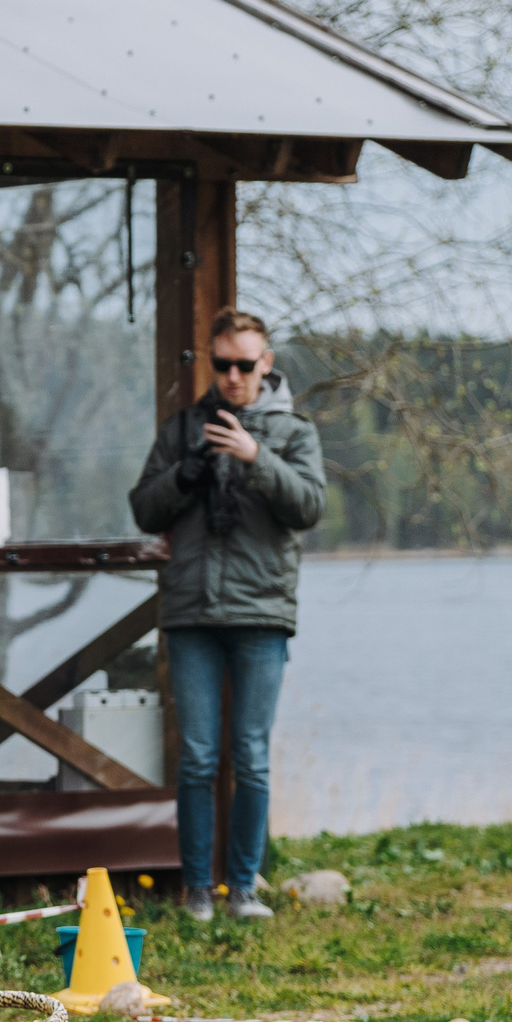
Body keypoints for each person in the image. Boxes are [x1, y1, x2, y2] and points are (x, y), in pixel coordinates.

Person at [129, 307, 324, 924]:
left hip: (261, 614)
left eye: (244, 364)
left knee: (251, 755)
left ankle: (242, 889)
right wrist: (183, 475)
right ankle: (196, 892)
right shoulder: (183, 429)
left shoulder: (294, 431)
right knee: (197, 757)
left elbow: (309, 507)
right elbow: (144, 509)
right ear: (211, 364)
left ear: (266, 363)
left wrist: (255, 456)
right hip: (191, 613)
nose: (233, 376)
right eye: (222, 364)